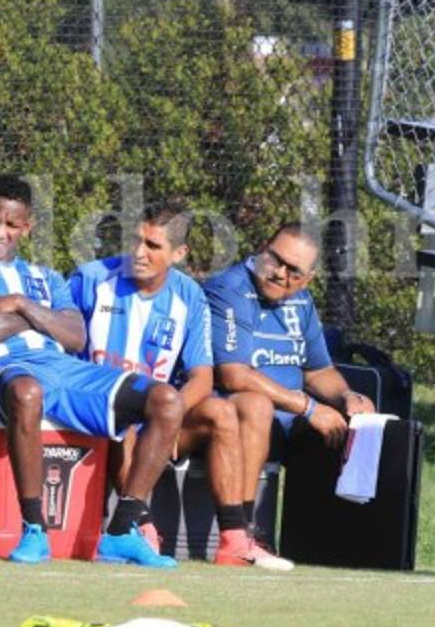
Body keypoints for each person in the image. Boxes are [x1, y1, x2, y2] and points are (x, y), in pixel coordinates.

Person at [0, 175, 183, 567]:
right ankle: (34, 530)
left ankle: (122, 531)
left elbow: (75, 336)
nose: (1, 231)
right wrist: (44, 318)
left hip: (63, 369)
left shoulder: (45, 278)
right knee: (28, 392)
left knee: (166, 401)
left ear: (26, 228)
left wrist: (19, 304)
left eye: (12, 225)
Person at [69, 201, 293, 570]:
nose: (139, 253)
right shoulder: (91, 279)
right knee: (123, 422)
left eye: (153, 246)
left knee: (221, 411)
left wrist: (169, 418)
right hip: (99, 411)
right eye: (136, 240)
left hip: (158, 415)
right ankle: (139, 527)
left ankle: (235, 540)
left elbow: (202, 377)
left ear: (179, 253)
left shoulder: (189, 296)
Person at [204, 221, 375, 537]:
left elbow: (318, 370)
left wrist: (346, 397)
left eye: (293, 271)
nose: (280, 273)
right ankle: (243, 532)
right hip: (233, 419)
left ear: (307, 279)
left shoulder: (302, 301)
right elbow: (233, 375)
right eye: (275, 259)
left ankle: (341, 547)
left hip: (288, 423)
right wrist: (310, 409)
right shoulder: (229, 290)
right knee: (257, 406)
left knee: (366, 425)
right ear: (262, 249)